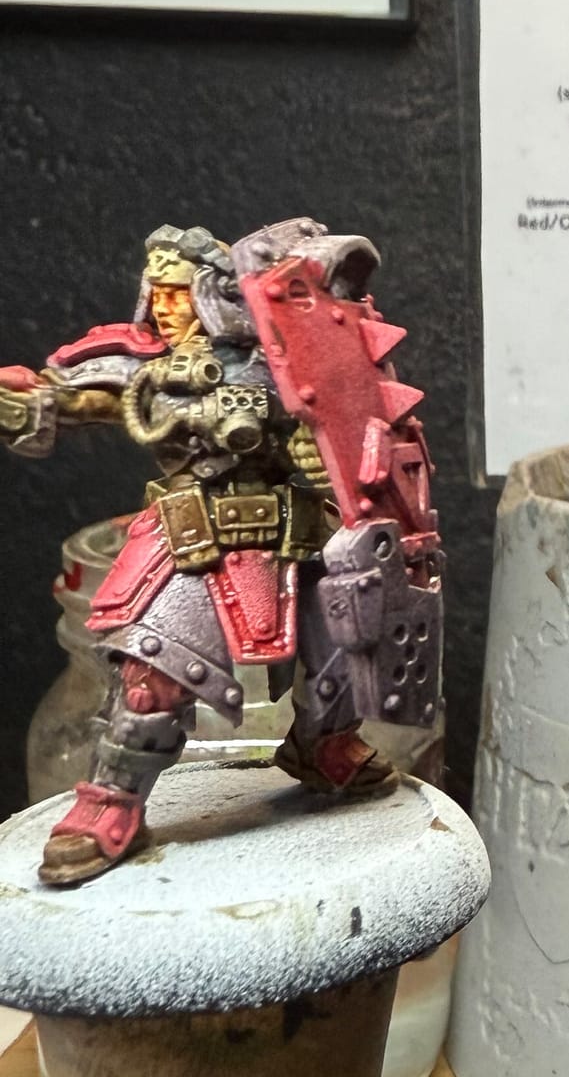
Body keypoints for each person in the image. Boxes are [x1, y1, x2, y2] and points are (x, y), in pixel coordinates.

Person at [0, 218, 439, 884]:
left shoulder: (281, 354)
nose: (168, 305)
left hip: (293, 528)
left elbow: (347, 420)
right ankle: (111, 800)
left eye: (180, 291)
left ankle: (324, 746)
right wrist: (30, 403)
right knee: (151, 671)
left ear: (213, 291)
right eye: (158, 292)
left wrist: (324, 456)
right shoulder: (146, 364)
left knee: (349, 640)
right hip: (193, 531)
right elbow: (82, 398)